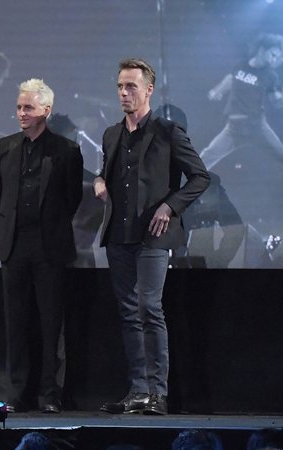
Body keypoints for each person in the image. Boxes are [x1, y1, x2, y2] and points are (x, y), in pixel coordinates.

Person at [94, 59, 209, 416]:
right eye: (119, 86)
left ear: (148, 90)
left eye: (130, 86)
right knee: (129, 313)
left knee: (149, 308)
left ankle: (159, 392)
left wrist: (170, 207)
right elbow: (108, 173)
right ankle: (139, 390)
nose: (124, 93)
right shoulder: (112, 134)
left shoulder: (167, 132)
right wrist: (99, 181)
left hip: (153, 236)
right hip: (119, 234)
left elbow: (199, 177)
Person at [0, 79, 83, 414]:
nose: (21, 113)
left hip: (50, 249)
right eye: (18, 107)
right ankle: (17, 393)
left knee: (50, 323)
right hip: (13, 247)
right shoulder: (3, 147)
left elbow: (72, 199)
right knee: (15, 323)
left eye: (28, 107)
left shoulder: (67, 151)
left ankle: (50, 393)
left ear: (46, 109)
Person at [199, 33, 283, 171]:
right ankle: (182, 187)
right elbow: (231, 79)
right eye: (273, 54)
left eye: (277, 57)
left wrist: (279, 99)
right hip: (234, 129)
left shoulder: (270, 75)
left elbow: (275, 100)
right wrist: (217, 90)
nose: (274, 59)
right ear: (262, 50)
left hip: (257, 126)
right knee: (208, 156)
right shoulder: (241, 65)